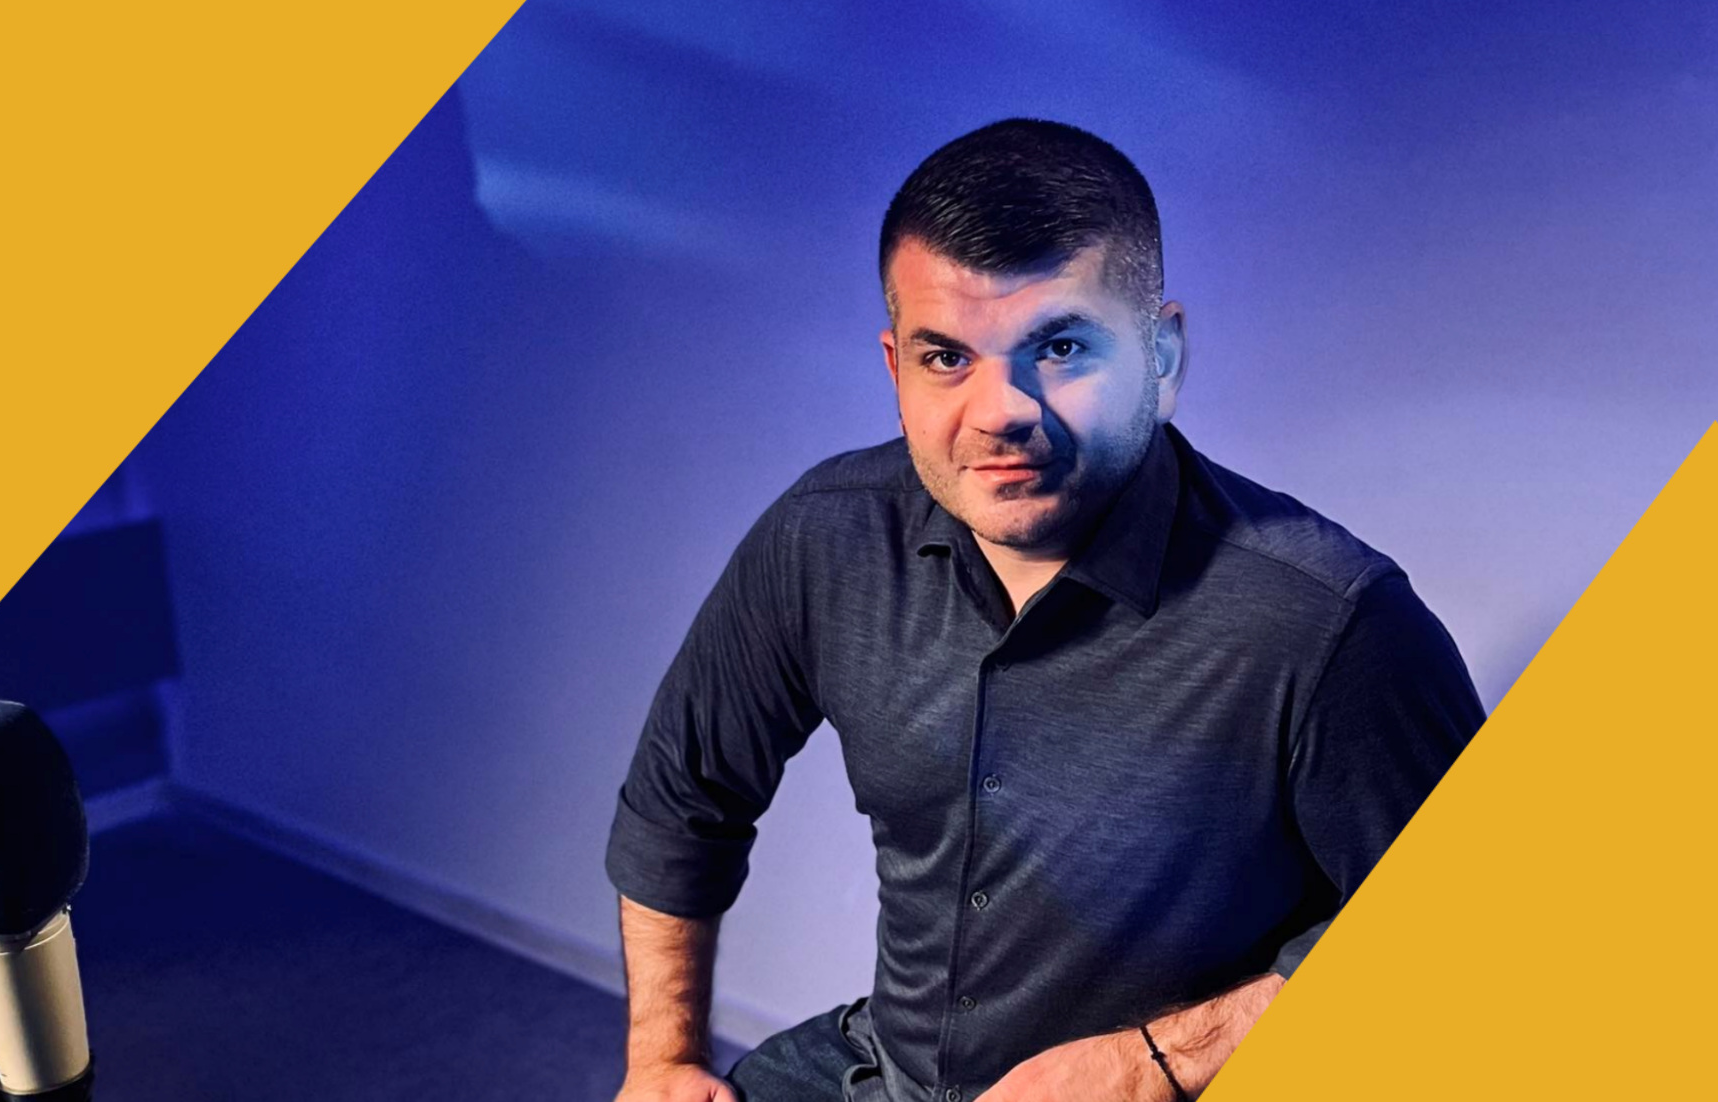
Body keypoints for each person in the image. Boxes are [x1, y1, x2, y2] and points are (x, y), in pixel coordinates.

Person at [604, 118, 1483, 1102]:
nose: (1000, 411)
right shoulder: (825, 535)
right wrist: (661, 1061)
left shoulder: (1331, 623)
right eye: (947, 358)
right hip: (892, 1073)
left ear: (1162, 356)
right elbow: (680, 803)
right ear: (894, 367)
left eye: (1059, 348)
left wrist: (1156, 1063)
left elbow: (1465, 930)